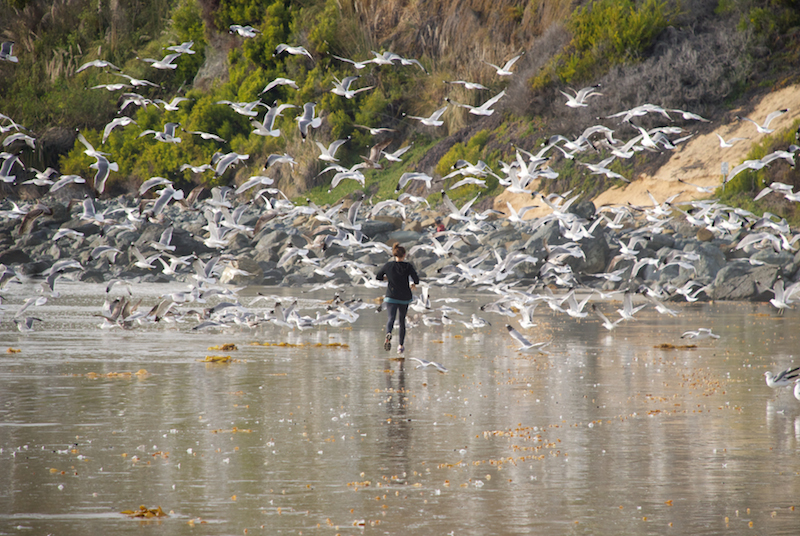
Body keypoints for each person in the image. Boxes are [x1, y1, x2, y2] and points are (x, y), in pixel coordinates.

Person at [376, 243, 419, 354]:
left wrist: (388, 278)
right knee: (402, 321)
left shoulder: (388, 265)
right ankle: (400, 346)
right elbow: (417, 280)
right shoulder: (408, 266)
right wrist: (413, 283)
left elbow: (378, 276)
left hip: (391, 296)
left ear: (394, 254)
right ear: (404, 255)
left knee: (391, 318)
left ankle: (388, 333)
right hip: (404, 297)